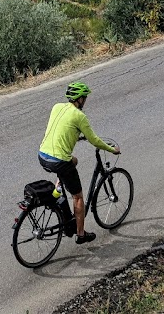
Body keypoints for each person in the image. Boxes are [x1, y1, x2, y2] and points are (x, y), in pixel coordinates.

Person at [38, 81, 120, 244]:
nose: (85, 100)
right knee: (78, 197)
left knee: (73, 161)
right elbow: (95, 141)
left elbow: (62, 127)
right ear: (79, 99)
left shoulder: (57, 107)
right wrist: (112, 150)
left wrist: (76, 135)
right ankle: (81, 234)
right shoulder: (80, 116)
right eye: (85, 98)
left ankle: (57, 190)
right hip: (59, 160)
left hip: (42, 155)